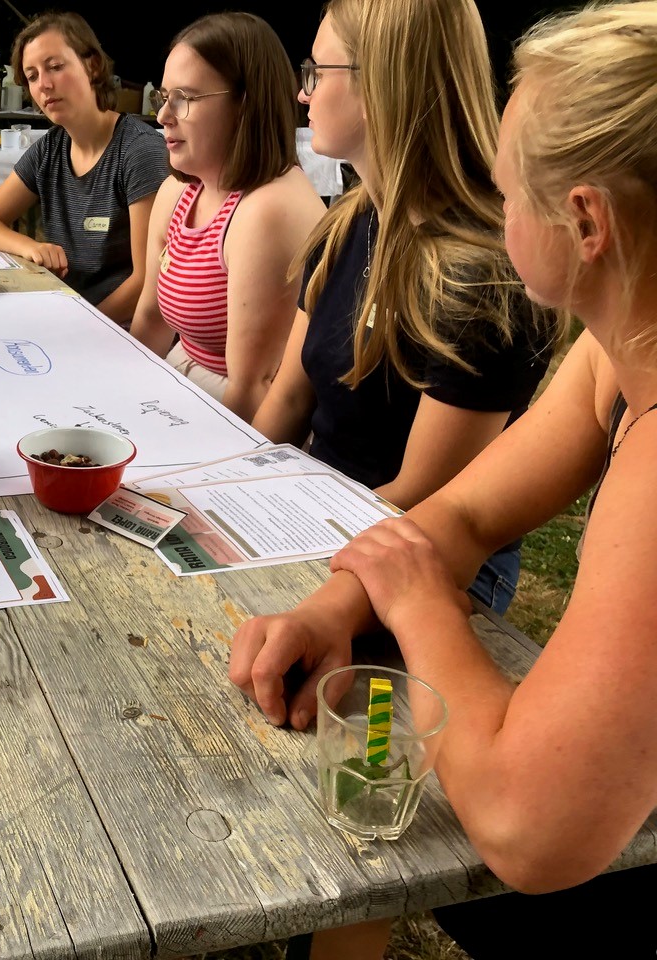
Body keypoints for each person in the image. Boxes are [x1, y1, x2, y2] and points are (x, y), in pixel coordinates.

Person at [232, 3, 657, 956]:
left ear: (584, 221)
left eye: (507, 191)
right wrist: (339, 603)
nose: (492, 208)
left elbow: (527, 828)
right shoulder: (616, 353)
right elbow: (460, 512)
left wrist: (418, 603)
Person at [249, 0, 557, 615]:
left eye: (315, 71)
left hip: (430, 561)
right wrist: (224, 495)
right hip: (324, 519)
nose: (302, 95)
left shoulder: (483, 281)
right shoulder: (346, 225)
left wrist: (282, 546)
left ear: (379, 85)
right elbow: (287, 399)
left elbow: (421, 496)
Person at [129, 13, 326, 420]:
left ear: (246, 103)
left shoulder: (267, 210)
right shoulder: (180, 190)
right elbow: (150, 321)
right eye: (163, 97)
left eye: (184, 97)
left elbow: (254, 387)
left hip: (236, 414)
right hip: (182, 382)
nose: (164, 115)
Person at [0, 11, 169, 327]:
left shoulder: (139, 151)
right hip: (66, 313)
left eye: (56, 67)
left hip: (122, 332)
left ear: (92, 65)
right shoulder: (50, 148)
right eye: (32, 76)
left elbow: (146, 283)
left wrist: (79, 328)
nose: (44, 84)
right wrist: (31, 247)